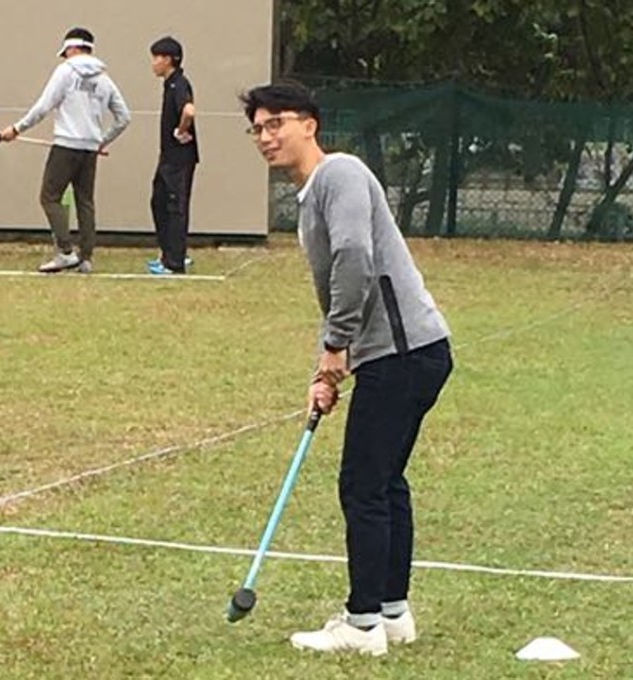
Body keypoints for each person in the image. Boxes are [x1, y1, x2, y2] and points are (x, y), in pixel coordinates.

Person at [240, 82, 453, 657]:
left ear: (309, 123)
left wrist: (337, 347)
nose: (266, 135)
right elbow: (344, 284)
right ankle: (391, 612)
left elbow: (357, 260)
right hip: (404, 353)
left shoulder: (341, 175)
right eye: (257, 127)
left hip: (405, 353)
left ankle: (361, 625)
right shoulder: (313, 195)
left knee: (363, 485)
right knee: (384, 482)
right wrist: (330, 365)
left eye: (276, 122)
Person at [0, 27, 131, 274]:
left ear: (71, 48)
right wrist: (101, 141)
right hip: (89, 149)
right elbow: (124, 117)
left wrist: (16, 129)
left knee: (49, 197)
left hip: (66, 146)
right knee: (85, 202)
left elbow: (43, 106)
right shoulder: (104, 79)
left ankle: (65, 252)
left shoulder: (65, 72)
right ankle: (87, 258)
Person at [147, 36, 198, 276]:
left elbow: (189, 110)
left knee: (175, 207)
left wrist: (181, 130)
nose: (153, 63)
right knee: (159, 202)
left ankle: (174, 262)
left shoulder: (179, 84)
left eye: (157, 58)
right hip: (168, 157)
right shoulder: (170, 84)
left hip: (179, 159)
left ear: (168, 60)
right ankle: (170, 253)